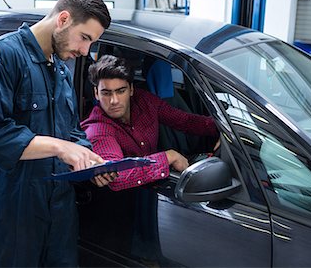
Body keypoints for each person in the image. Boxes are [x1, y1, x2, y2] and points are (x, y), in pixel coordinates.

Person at [0, 0, 114, 267]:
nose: (84, 51)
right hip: (12, 209)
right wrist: (59, 147)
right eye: (85, 38)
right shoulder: (1, 56)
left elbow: (72, 131)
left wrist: (88, 160)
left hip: (59, 211)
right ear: (63, 19)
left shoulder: (61, 70)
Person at [81, 54, 219, 191]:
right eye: (106, 93)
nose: (114, 100)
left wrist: (224, 130)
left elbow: (185, 121)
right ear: (96, 93)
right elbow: (118, 175)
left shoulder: (144, 101)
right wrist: (168, 157)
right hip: (123, 204)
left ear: (131, 89)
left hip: (155, 192)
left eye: (120, 91)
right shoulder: (97, 129)